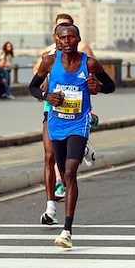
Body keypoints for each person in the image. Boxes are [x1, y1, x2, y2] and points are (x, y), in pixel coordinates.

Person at [29, 23, 116, 248]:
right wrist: (47, 95)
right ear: (58, 40)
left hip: (79, 124)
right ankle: (65, 223)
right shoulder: (49, 62)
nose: (67, 42)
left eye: (71, 38)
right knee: (63, 169)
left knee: (69, 172)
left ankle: (67, 229)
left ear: (78, 39)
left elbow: (111, 86)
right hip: (56, 125)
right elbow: (32, 88)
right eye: (63, 38)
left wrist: (97, 87)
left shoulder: (90, 64)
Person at [32, 13, 96, 224]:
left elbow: (94, 76)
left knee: (69, 168)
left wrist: (94, 85)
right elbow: (35, 81)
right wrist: (45, 91)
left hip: (77, 113)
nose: (65, 37)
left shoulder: (84, 50)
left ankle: (80, 146)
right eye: (61, 31)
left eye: (69, 31)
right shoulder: (47, 56)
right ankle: (50, 208)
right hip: (52, 109)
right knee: (49, 155)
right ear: (55, 34)